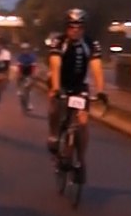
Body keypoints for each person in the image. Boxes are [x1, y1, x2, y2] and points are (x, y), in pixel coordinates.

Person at [45, 9, 107, 167]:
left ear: (84, 27)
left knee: (83, 122)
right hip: (59, 82)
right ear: (66, 27)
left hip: (79, 85)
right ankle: (53, 134)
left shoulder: (91, 43)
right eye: (72, 26)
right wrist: (57, 88)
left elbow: (97, 68)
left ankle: (81, 158)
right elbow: (55, 64)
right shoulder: (58, 42)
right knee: (54, 104)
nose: (75, 29)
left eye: (79, 26)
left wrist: (100, 91)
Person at [15, 42, 39, 112]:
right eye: (23, 49)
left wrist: (33, 74)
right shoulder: (20, 57)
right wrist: (19, 74)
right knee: (17, 76)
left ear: (29, 50)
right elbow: (19, 67)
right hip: (22, 71)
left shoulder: (32, 57)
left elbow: (33, 67)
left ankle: (29, 103)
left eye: (26, 49)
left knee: (28, 89)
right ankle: (19, 89)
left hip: (29, 72)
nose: (25, 51)